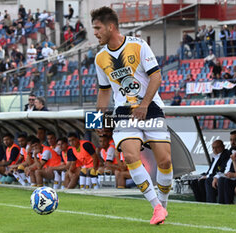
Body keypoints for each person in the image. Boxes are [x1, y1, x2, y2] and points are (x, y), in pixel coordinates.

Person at [92, 6, 172, 224]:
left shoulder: (138, 45)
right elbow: (104, 90)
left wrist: (144, 105)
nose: (95, 33)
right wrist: (99, 119)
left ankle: (162, 205)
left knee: (165, 160)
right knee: (130, 156)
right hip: (123, 112)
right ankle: (156, 207)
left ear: (111, 27)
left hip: (151, 107)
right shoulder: (100, 58)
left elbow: (156, 77)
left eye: (98, 28)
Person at [214, 131, 236, 204]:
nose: (232, 142)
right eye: (231, 140)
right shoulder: (228, 152)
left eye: (235, 140)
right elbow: (222, 167)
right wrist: (216, 177)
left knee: (225, 181)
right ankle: (220, 204)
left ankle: (227, 204)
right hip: (225, 175)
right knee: (220, 179)